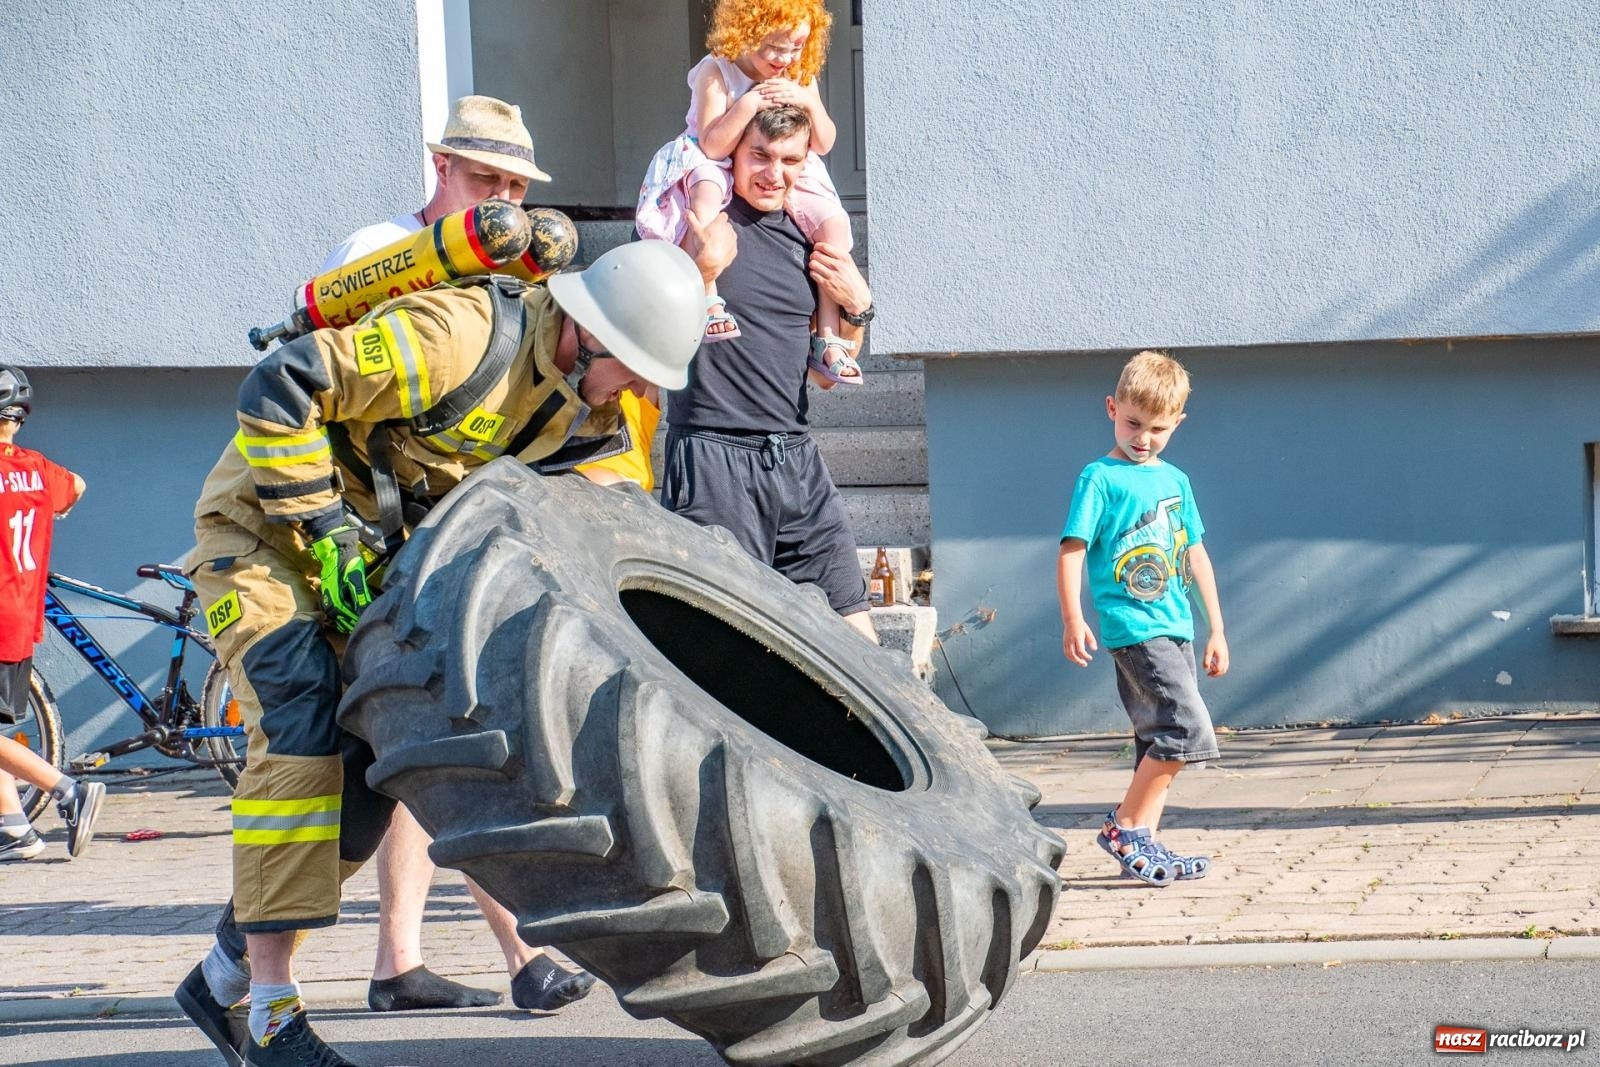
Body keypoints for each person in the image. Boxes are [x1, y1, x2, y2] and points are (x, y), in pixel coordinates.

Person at [174, 237, 713, 1067]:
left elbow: (599, 507)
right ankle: (273, 1014)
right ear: (588, 336)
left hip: (365, 559)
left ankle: (219, 974)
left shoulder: (582, 407)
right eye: (635, 369)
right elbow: (279, 386)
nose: (638, 392)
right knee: (302, 738)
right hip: (262, 539)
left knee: (369, 783)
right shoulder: (456, 337)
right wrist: (324, 530)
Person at [318, 93, 596, 1017]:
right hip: (366, 529)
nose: (503, 199)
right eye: (485, 179)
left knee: (412, 750)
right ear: (440, 169)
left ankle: (401, 962)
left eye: (516, 183)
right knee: (445, 736)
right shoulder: (379, 251)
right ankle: (524, 952)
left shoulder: (515, 272)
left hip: (439, 526)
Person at [662, 105, 879, 642]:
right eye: (759, 155)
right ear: (733, 153)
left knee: (856, 633)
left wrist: (858, 310)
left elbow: (827, 374)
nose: (772, 173)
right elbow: (651, 334)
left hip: (796, 458)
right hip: (714, 457)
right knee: (722, 641)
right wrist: (701, 270)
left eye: (788, 160)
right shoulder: (698, 226)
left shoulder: (809, 240)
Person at [1056, 350, 1229, 887]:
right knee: (1185, 728)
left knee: (1155, 738)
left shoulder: (1175, 480)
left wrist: (1216, 627)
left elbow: (1195, 555)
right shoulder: (1100, 477)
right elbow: (1072, 548)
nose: (1143, 437)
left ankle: (1144, 837)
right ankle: (1125, 825)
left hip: (1177, 627)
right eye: (1133, 423)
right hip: (1134, 627)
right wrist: (1072, 616)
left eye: (1158, 428)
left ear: (1177, 423)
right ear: (1112, 408)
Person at [637, 0, 863, 387]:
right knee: (705, 197)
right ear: (746, 31)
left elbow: (823, 143)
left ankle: (827, 338)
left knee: (836, 226)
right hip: (716, 158)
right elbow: (711, 145)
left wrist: (807, 98)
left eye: (797, 46)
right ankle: (709, 299)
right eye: (776, 46)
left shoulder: (798, 75)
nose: (786, 57)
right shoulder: (717, 71)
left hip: (779, 164)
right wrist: (749, 103)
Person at [0, 365, 102, 862]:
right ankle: (16, 829)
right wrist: (48, 511)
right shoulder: (35, 468)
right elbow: (78, 484)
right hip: (20, 615)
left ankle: (69, 790)